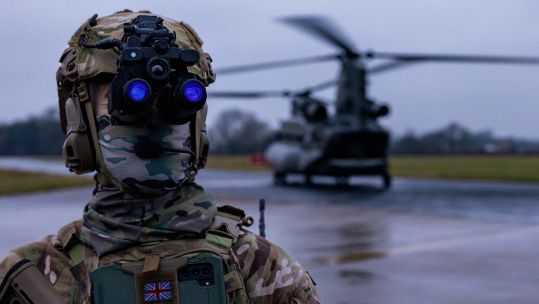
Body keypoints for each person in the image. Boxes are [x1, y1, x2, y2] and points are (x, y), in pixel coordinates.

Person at [0, 10, 320, 304]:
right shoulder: (30, 276)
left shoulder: (262, 269)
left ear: (197, 123)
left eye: (170, 99)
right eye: (120, 98)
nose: (152, 122)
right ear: (80, 121)